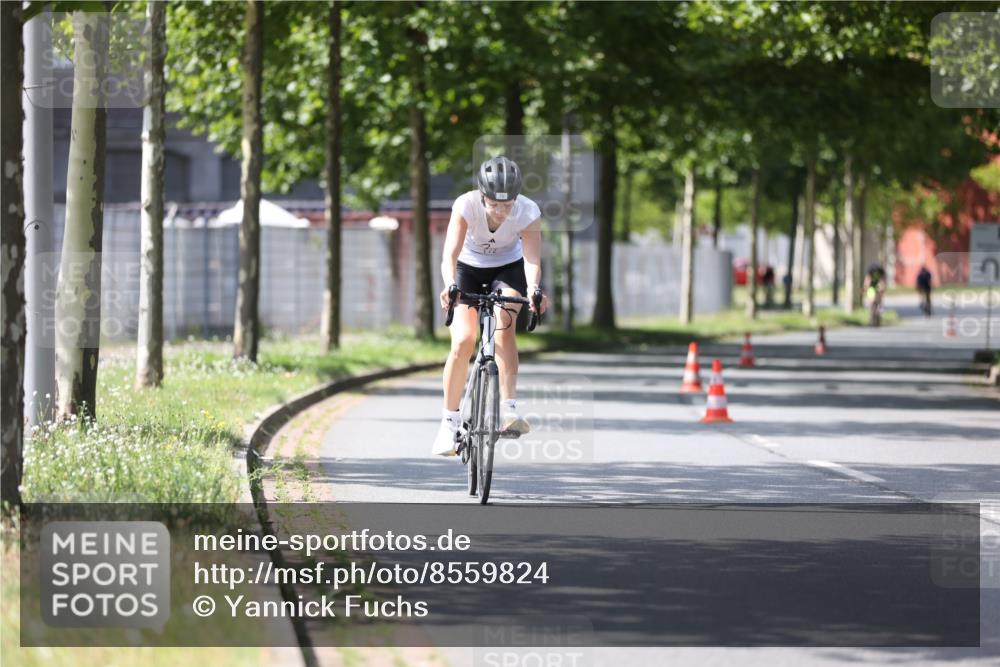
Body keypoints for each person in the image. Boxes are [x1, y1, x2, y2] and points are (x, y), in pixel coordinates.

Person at [432, 156, 548, 456]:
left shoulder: (528, 211)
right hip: (467, 269)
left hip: (507, 268)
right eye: (494, 204)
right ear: (482, 196)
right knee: (463, 340)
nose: (500, 211)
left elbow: (532, 259)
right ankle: (448, 424)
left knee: (504, 327)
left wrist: (535, 290)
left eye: (507, 204)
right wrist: (449, 284)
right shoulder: (466, 205)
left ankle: (508, 409)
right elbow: (450, 255)